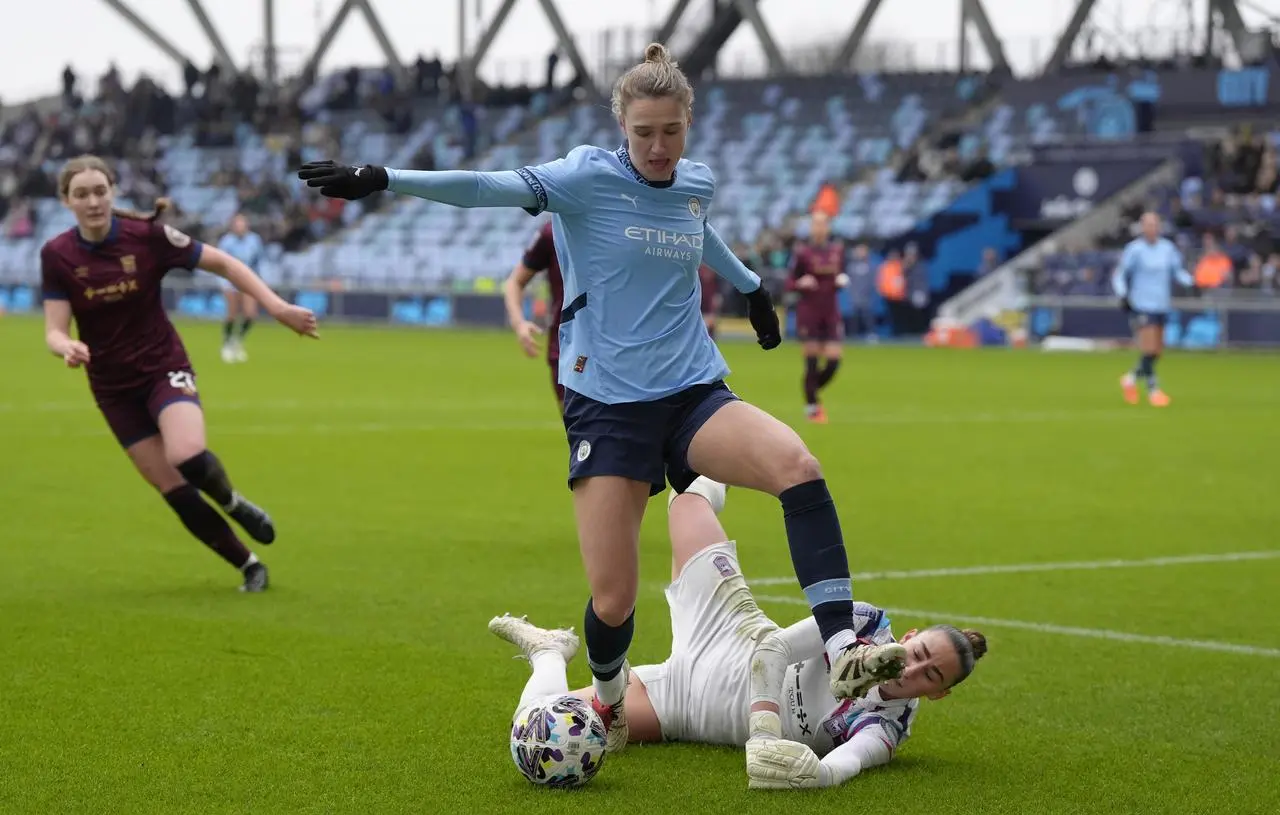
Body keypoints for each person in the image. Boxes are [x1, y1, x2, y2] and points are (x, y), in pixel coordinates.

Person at [299, 42, 906, 755]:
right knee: (614, 600)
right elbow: (484, 185)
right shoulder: (584, 177)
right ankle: (610, 699)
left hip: (691, 391)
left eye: (671, 131)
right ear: (623, 126)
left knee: (798, 466)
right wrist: (382, 177)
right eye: (644, 132)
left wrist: (751, 286)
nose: (658, 146)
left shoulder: (694, 181)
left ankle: (842, 651)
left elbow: (695, 229)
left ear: (688, 124)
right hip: (608, 406)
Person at [489, 475, 988, 789]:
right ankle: (708, 449)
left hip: (686, 707)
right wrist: (766, 733)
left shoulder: (886, 725)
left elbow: (846, 765)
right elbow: (771, 648)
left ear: (938, 694)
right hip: (729, 633)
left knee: (537, 730)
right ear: (913, 633)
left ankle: (549, 654)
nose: (915, 667)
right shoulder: (864, 622)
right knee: (686, 501)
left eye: (930, 674)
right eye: (920, 651)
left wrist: (813, 774)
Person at [40, 155, 319, 592]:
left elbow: (225, 264)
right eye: (82, 194)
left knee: (187, 454)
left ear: (112, 192)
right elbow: (54, 330)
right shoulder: (57, 255)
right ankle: (249, 565)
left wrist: (277, 306)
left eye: (100, 191)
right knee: (173, 488)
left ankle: (232, 501)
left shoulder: (147, 238)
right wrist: (66, 347)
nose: (93, 201)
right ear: (65, 202)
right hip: (112, 388)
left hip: (161, 367)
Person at [1111, 211, 1193, 407]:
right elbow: (1120, 274)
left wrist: (1192, 282)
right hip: (1142, 305)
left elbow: (1177, 271)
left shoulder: (1167, 249)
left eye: (1154, 224)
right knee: (1148, 348)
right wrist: (1123, 295)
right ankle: (1153, 390)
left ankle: (1130, 379)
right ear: (1142, 227)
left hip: (1161, 304)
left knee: (1157, 351)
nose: (1151, 228)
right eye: (1147, 224)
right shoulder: (1135, 249)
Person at [787, 211, 848, 423]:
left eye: (823, 224)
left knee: (833, 361)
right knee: (811, 362)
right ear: (811, 228)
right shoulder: (803, 253)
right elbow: (790, 282)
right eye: (815, 224)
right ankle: (812, 407)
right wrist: (800, 283)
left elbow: (842, 273)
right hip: (809, 311)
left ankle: (810, 391)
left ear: (828, 228)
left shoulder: (837, 251)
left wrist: (841, 280)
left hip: (830, 311)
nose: (819, 228)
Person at [501, 220, 565, 410]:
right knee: (580, 435)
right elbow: (515, 282)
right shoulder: (552, 231)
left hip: (620, 349)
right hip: (565, 349)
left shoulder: (624, 225)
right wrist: (519, 323)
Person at [217, 213, 266, 363]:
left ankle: (238, 340)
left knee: (250, 314)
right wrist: (223, 282)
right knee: (231, 314)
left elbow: (258, 261)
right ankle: (226, 343)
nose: (240, 227)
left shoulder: (254, 240)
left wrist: (260, 280)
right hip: (230, 280)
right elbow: (220, 262)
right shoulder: (227, 241)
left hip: (249, 280)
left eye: (242, 223)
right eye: (237, 224)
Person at [698, 263, 723, 340]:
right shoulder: (698, 272)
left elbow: (719, 288)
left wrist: (718, 296)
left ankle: (711, 340)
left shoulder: (715, 272)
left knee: (711, 323)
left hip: (710, 304)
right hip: (700, 303)